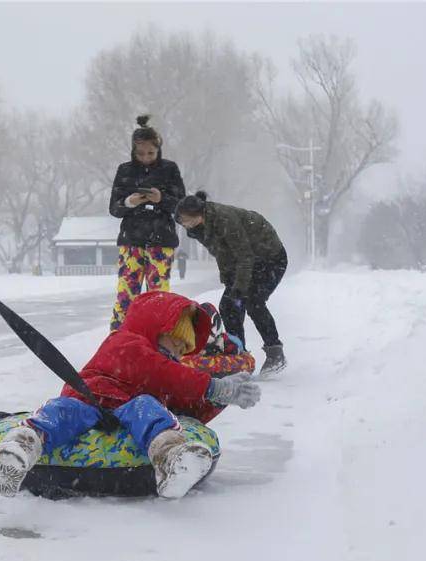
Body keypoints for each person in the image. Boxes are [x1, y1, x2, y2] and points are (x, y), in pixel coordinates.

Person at [0, 292, 261, 499]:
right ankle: (19, 449)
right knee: (61, 411)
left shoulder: (156, 377)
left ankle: (171, 459)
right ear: (154, 328)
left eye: (182, 350)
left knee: (151, 412)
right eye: (175, 343)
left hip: (129, 408)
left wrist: (220, 400)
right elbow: (161, 372)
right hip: (90, 397)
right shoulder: (127, 341)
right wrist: (214, 387)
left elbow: (182, 407)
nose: (177, 354)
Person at [175, 191, 289, 376]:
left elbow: (245, 256)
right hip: (247, 263)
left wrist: (238, 290)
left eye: (185, 220)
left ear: (198, 215)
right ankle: (239, 357)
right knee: (228, 307)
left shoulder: (224, 219)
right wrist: (231, 285)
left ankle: (275, 353)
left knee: (253, 302)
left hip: (270, 258)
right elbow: (224, 254)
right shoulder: (198, 228)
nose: (183, 224)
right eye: (181, 221)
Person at [107, 115, 186, 330]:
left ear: (159, 149)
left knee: (158, 296)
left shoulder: (170, 169)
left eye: (151, 153)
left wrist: (162, 200)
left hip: (162, 240)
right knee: (126, 294)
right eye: (140, 153)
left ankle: (158, 341)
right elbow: (114, 208)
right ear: (133, 150)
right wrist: (129, 202)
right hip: (131, 240)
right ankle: (119, 339)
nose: (145, 158)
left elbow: (182, 208)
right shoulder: (124, 170)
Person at [180, 302, 256, 377]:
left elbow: (248, 362)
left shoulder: (229, 342)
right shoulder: (188, 341)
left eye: (206, 328)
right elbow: (177, 361)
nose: (203, 333)